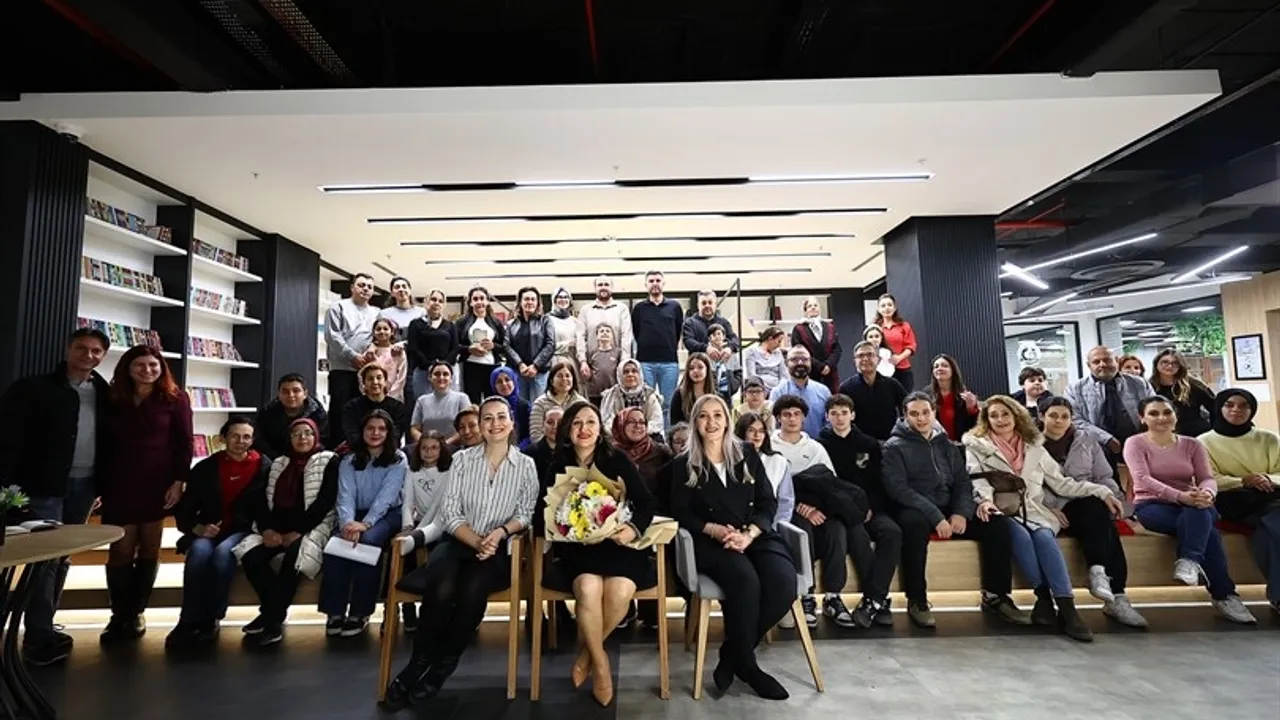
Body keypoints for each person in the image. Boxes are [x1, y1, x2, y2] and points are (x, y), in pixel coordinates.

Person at [382, 397, 538, 710]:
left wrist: (498, 534)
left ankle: (441, 667)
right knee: (440, 585)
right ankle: (417, 663)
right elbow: (451, 513)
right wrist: (476, 541)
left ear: (511, 422)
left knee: (471, 591)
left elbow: (525, 513)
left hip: (497, 549)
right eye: (487, 418)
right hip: (458, 541)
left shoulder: (526, 465)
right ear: (480, 426)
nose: (495, 424)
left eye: (501, 417)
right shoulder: (463, 461)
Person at [963, 396, 1124, 642]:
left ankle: (1067, 608)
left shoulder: (1035, 447)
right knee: (1020, 537)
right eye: (993, 415)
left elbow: (1061, 484)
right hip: (1002, 510)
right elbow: (977, 479)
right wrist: (984, 501)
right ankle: (1044, 598)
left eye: (1005, 414)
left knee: (1044, 538)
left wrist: (1102, 492)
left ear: (1016, 416)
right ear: (986, 419)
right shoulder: (976, 446)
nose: (1000, 420)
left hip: (1035, 510)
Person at [669, 394, 796, 701]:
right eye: (703, 416)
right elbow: (679, 512)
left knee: (783, 582)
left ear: (727, 420)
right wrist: (712, 529)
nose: (711, 422)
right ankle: (749, 667)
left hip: (754, 535)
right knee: (746, 581)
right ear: (695, 423)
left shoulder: (747, 454)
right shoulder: (683, 465)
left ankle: (732, 654)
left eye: (717, 415)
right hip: (712, 541)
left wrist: (750, 534)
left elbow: (767, 502)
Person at [0, 328, 110, 664]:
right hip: (42, 486)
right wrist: (7, 486)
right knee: (45, 560)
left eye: (96, 351)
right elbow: (8, 437)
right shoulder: (33, 389)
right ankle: (39, 636)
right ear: (68, 349)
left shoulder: (106, 394)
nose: (88, 355)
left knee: (63, 557)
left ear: (103, 356)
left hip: (85, 485)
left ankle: (45, 623)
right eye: (82, 348)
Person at [881, 391, 1030, 629]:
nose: (921, 418)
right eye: (914, 414)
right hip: (915, 507)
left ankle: (996, 596)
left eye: (925, 412)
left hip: (949, 506)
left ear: (934, 413)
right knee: (913, 527)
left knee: (997, 525)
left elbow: (962, 482)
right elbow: (898, 489)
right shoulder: (894, 447)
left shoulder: (948, 445)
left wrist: (961, 512)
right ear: (905, 416)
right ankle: (917, 600)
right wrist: (936, 517)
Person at [543, 402, 657, 706]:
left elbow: (646, 502)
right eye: (577, 423)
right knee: (588, 589)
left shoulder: (616, 458)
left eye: (590, 422)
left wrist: (631, 529)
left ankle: (586, 656)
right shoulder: (558, 465)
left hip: (619, 545)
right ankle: (602, 666)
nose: (584, 429)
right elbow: (544, 512)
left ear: (600, 428)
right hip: (578, 550)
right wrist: (569, 527)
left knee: (619, 592)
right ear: (568, 430)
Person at [1124, 396, 1256, 623]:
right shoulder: (1135, 443)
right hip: (1152, 505)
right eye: (1154, 413)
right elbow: (1142, 479)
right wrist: (1180, 496)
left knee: (1201, 514)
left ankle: (1189, 562)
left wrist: (1208, 493)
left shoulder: (1192, 444)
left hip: (1194, 503)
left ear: (1175, 416)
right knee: (1208, 529)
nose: (1162, 418)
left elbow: (1207, 478)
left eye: (1167, 412)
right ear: (1142, 418)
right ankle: (1224, 594)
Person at [99, 346, 193, 642]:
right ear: (127, 368)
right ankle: (119, 614)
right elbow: (103, 442)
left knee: (150, 548)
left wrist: (179, 481)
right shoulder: (113, 398)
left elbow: (184, 442)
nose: (147, 370)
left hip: (157, 483)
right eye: (139, 365)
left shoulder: (176, 398)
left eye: (153, 365)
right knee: (120, 550)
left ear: (161, 368)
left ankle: (137, 611)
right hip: (119, 482)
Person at [1038, 397, 1147, 627]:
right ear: (1041, 417)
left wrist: (1115, 500)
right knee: (1100, 520)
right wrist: (1047, 507)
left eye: (1065, 416)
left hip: (1086, 502)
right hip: (1051, 508)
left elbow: (1103, 476)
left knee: (1100, 514)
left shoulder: (1086, 440)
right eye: (1053, 416)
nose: (1059, 421)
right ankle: (1111, 588)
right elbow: (1027, 484)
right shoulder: (1030, 444)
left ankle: (1107, 583)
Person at [167, 416, 270, 648]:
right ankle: (188, 620)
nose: (240, 441)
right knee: (199, 553)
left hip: (244, 530)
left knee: (224, 554)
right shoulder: (205, 468)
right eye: (234, 436)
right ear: (223, 438)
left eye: (246, 437)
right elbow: (186, 507)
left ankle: (211, 618)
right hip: (208, 528)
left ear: (253, 440)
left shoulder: (265, 467)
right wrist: (198, 527)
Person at [233, 418, 338, 646]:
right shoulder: (279, 463)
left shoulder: (329, 460)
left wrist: (298, 531)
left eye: (308, 433)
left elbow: (325, 502)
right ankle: (272, 611)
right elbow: (263, 500)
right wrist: (267, 529)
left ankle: (272, 622)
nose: (302, 438)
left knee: (294, 557)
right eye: (296, 434)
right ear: (289, 438)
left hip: (312, 526)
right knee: (251, 557)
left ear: (316, 436)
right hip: (276, 527)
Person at [769, 395, 858, 629]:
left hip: (818, 507)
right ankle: (806, 595)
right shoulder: (770, 446)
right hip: (786, 510)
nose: (792, 419)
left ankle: (833, 596)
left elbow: (830, 484)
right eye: (786, 414)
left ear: (804, 418)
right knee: (802, 530)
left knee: (837, 529)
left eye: (796, 414)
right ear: (778, 418)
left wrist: (815, 506)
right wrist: (800, 506)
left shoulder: (815, 448)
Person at [320, 410, 406, 637]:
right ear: (362, 431)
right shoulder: (348, 460)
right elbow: (345, 495)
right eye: (370, 428)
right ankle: (335, 612)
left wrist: (366, 524)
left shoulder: (398, 459)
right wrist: (347, 523)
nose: (375, 433)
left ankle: (360, 612)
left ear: (389, 432)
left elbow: (387, 496)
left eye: (381, 429)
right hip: (354, 514)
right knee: (335, 547)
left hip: (388, 513)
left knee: (368, 542)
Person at [818, 394, 900, 628]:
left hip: (870, 509)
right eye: (834, 413)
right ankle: (877, 601)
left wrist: (871, 507)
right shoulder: (820, 444)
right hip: (840, 512)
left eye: (844, 412)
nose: (839, 418)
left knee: (892, 532)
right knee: (857, 536)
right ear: (827, 417)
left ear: (852, 415)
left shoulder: (869, 444)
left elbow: (879, 482)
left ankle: (874, 597)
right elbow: (824, 484)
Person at [1199, 388, 1280, 614]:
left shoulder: (1269, 439)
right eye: (1230, 405)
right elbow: (1207, 478)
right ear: (1219, 408)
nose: (1237, 410)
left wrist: (1267, 478)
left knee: (1267, 535)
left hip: (1271, 495)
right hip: (1235, 501)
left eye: (1244, 405)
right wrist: (1243, 480)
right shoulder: (1203, 442)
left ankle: (1278, 596)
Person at [399, 431, 454, 633]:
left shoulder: (449, 472)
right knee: (405, 555)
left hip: (441, 524)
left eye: (434, 448)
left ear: (442, 449)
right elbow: (407, 503)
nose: (428, 452)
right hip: (418, 524)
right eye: (424, 448)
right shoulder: (412, 471)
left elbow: (439, 507)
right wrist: (407, 527)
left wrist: (419, 532)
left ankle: (435, 611)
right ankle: (407, 610)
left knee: (441, 557)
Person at [1065, 346, 1155, 462]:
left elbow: (1154, 410)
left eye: (1107, 360)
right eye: (1096, 362)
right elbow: (1075, 420)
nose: (1102, 364)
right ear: (1089, 365)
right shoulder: (1074, 389)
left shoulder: (1140, 384)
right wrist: (1107, 439)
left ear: (1116, 361)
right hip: (1097, 446)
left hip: (1139, 443)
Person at [325, 272, 380, 448]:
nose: (366, 289)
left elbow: (380, 336)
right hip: (342, 370)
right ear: (352, 288)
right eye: (361, 285)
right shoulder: (337, 308)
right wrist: (353, 356)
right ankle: (338, 451)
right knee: (340, 412)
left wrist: (372, 348)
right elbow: (333, 337)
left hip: (366, 372)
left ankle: (361, 449)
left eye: (370, 287)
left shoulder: (376, 312)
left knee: (364, 414)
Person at [631, 270, 684, 418]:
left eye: (658, 281)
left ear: (663, 283)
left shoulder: (674, 307)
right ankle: (647, 432)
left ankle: (667, 432)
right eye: (651, 281)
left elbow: (678, 331)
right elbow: (636, 332)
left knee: (668, 403)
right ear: (646, 285)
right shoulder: (639, 308)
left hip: (669, 362)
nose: (655, 284)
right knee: (646, 402)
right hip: (645, 362)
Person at [734, 412, 794, 528]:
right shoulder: (731, 461)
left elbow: (785, 501)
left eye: (761, 431)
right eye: (751, 430)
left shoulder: (778, 461)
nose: (757, 435)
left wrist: (773, 527)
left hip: (769, 525)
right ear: (742, 432)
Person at [839, 341, 907, 442]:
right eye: (860, 356)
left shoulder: (892, 384)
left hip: (891, 442)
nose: (865, 359)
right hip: (859, 444)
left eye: (870, 355)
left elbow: (907, 408)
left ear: (878, 359)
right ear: (855, 361)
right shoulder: (846, 388)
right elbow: (843, 418)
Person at [406, 288, 459, 412]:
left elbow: (455, 348)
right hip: (423, 373)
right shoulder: (415, 324)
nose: (437, 303)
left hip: (445, 374)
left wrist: (443, 366)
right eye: (433, 299)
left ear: (444, 305)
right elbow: (413, 348)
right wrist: (430, 366)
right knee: (424, 409)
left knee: (446, 408)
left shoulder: (450, 326)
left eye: (440, 301)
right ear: (426, 302)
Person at [255, 373, 329, 459]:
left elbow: (323, 441)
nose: (291, 395)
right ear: (279, 394)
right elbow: (261, 441)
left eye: (296, 391)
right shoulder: (267, 413)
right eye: (285, 392)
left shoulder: (318, 414)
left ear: (305, 394)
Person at [457, 285, 509, 403]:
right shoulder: (462, 322)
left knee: (492, 401)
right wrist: (469, 349)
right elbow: (455, 346)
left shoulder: (496, 322)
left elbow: (505, 346)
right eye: (475, 299)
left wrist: (494, 346)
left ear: (487, 301)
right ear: (470, 303)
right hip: (471, 366)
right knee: (472, 401)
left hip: (492, 366)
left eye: (482, 298)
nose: (479, 302)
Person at [341, 363, 410, 450]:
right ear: (364, 383)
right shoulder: (351, 407)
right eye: (370, 379)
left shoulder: (398, 408)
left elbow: (395, 436)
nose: (375, 382)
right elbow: (352, 436)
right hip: (359, 452)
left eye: (379, 378)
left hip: (389, 452)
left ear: (385, 382)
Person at [506, 286, 556, 405]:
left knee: (539, 406)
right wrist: (520, 364)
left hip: (539, 372)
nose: (530, 302)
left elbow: (550, 344)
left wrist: (536, 365)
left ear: (538, 302)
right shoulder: (511, 324)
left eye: (533, 299)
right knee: (520, 406)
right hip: (519, 372)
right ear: (520, 302)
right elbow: (506, 346)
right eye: (526, 299)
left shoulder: (546, 321)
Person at [577, 276, 633, 380]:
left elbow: (626, 337)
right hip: (591, 366)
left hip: (616, 366)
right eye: (600, 285)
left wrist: (624, 363)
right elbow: (581, 337)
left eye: (606, 285)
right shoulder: (585, 310)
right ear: (595, 288)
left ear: (612, 288)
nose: (603, 287)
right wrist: (583, 361)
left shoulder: (622, 309)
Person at [1150, 349, 1215, 437]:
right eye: (1165, 362)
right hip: (1162, 436)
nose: (1169, 366)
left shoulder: (1195, 385)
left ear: (1180, 366)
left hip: (1196, 435)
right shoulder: (1148, 387)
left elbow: (1215, 407)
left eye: (1175, 363)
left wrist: (1214, 431)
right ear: (1156, 364)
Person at [768, 346, 830, 438]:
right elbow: (773, 425)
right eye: (794, 359)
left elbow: (829, 423)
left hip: (818, 444)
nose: (800, 363)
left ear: (810, 362)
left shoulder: (824, 391)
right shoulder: (777, 392)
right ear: (786, 363)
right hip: (787, 445)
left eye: (804, 359)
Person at [599, 358, 665, 439]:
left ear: (640, 374)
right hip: (619, 437)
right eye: (626, 372)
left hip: (645, 436)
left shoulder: (649, 394)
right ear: (619, 375)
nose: (630, 374)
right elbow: (607, 422)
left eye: (634, 371)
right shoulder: (611, 395)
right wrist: (625, 433)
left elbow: (657, 421)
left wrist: (638, 432)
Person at [409, 361, 472, 443]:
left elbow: (467, 427)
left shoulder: (462, 398)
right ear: (430, 378)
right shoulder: (421, 401)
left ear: (451, 378)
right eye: (437, 374)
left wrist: (445, 444)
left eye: (445, 374)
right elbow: (414, 429)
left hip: (455, 447)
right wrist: (426, 443)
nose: (441, 377)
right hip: (428, 447)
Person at [790, 296, 842, 394]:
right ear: (805, 311)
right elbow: (800, 351)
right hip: (810, 371)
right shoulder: (799, 329)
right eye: (810, 306)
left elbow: (837, 349)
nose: (813, 307)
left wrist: (828, 365)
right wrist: (820, 366)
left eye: (815, 305)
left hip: (830, 372)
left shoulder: (830, 327)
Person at [530, 359, 588, 444]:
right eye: (559, 376)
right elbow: (536, 434)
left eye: (567, 376)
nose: (564, 379)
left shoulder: (581, 403)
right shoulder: (540, 403)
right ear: (551, 381)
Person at [871, 293, 918, 391]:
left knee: (905, 397)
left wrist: (899, 358)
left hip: (902, 369)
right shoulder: (875, 327)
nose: (886, 308)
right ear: (878, 309)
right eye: (883, 306)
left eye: (889, 305)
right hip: (881, 369)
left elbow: (911, 345)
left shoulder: (904, 325)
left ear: (895, 308)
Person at [929, 354, 980, 441]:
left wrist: (971, 410)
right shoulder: (926, 395)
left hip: (961, 444)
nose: (939, 368)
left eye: (944, 366)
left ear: (953, 370)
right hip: (935, 444)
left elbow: (974, 427)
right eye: (936, 367)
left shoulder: (966, 394)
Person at [682, 290, 741, 359]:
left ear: (715, 305)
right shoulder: (689, 323)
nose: (707, 305)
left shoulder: (724, 322)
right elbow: (688, 341)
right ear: (698, 305)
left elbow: (735, 339)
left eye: (710, 302)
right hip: (699, 363)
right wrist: (706, 348)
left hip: (722, 363)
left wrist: (730, 348)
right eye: (703, 303)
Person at [368, 317, 408, 403]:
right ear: (373, 332)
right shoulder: (369, 353)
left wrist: (390, 396)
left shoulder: (398, 352)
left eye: (385, 329)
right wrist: (368, 393)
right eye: (378, 329)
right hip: (372, 397)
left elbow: (401, 377)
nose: (382, 331)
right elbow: (362, 375)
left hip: (394, 397)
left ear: (392, 332)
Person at [489, 366, 532, 446]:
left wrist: (519, 448)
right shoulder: (490, 407)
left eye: (507, 379)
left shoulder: (524, 406)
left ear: (514, 381)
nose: (504, 384)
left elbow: (530, 434)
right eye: (499, 382)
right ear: (494, 386)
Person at [671, 352, 715, 427]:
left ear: (707, 369)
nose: (695, 371)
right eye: (691, 368)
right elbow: (675, 424)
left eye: (700, 367)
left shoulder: (716, 396)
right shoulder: (679, 394)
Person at [380, 275, 426, 344]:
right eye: (397, 287)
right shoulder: (384, 314)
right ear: (392, 293)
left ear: (410, 290)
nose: (401, 289)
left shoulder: (421, 312)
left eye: (404, 286)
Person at [523, 407, 563, 485]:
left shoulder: (573, 452)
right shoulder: (528, 454)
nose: (555, 427)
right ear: (543, 425)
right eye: (550, 422)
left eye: (560, 423)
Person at [586, 323, 623, 405]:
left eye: (608, 331)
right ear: (597, 337)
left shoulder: (618, 352)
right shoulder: (592, 353)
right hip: (595, 393)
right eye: (602, 331)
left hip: (612, 392)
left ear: (612, 336)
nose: (605, 333)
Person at [744, 326, 786, 393]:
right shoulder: (752, 352)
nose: (779, 345)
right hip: (758, 389)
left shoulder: (778, 353)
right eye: (779, 341)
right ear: (770, 339)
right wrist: (764, 388)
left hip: (777, 390)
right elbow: (751, 375)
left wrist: (779, 389)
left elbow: (784, 376)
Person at [706, 325, 741, 402]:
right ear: (709, 338)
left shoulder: (731, 354)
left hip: (728, 392)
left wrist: (734, 386)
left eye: (719, 334)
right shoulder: (706, 355)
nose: (717, 337)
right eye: (714, 334)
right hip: (711, 392)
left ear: (724, 336)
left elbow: (738, 372)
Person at [547, 287, 579, 366]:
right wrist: (567, 344)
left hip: (573, 363)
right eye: (560, 297)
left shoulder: (575, 321)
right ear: (554, 300)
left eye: (566, 297)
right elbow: (544, 347)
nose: (563, 300)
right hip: (555, 362)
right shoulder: (547, 320)